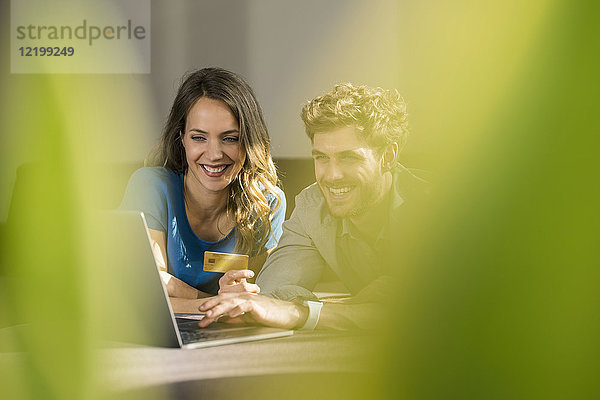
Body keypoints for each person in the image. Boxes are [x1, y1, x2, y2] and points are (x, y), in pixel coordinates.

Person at [199, 83, 427, 330]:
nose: (332, 175)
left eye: (349, 158)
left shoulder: (437, 209)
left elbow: (426, 313)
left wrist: (301, 313)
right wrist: (246, 297)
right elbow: (272, 296)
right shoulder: (312, 206)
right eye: (322, 158)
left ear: (389, 156)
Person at [119, 67, 286, 298]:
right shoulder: (150, 186)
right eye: (199, 137)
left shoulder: (267, 202)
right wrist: (212, 304)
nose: (214, 154)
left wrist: (239, 297)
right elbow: (148, 292)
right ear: (182, 139)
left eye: (230, 139)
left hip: (232, 332)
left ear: (249, 141)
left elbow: (258, 296)